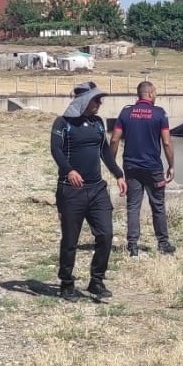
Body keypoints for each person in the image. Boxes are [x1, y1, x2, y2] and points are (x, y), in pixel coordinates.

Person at [50, 84, 125, 300]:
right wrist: (69, 170)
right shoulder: (63, 123)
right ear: (84, 101)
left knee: (106, 234)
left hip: (96, 189)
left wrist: (118, 174)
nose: (100, 104)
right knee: (70, 240)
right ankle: (66, 283)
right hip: (71, 190)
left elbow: (104, 150)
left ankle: (97, 281)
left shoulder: (98, 123)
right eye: (96, 100)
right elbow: (55, 149)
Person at [109, 80, 177, 257]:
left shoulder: (126, 112)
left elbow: (115, 139)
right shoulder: (159, 114)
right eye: (155, 93)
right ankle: (163, 244)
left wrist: (112, 163)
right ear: (150, 94)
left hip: (131, 167)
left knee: (133, 206)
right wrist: (171, 165)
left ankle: (132, 246)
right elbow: (167, 142)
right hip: (153, 168)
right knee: (158, 206)